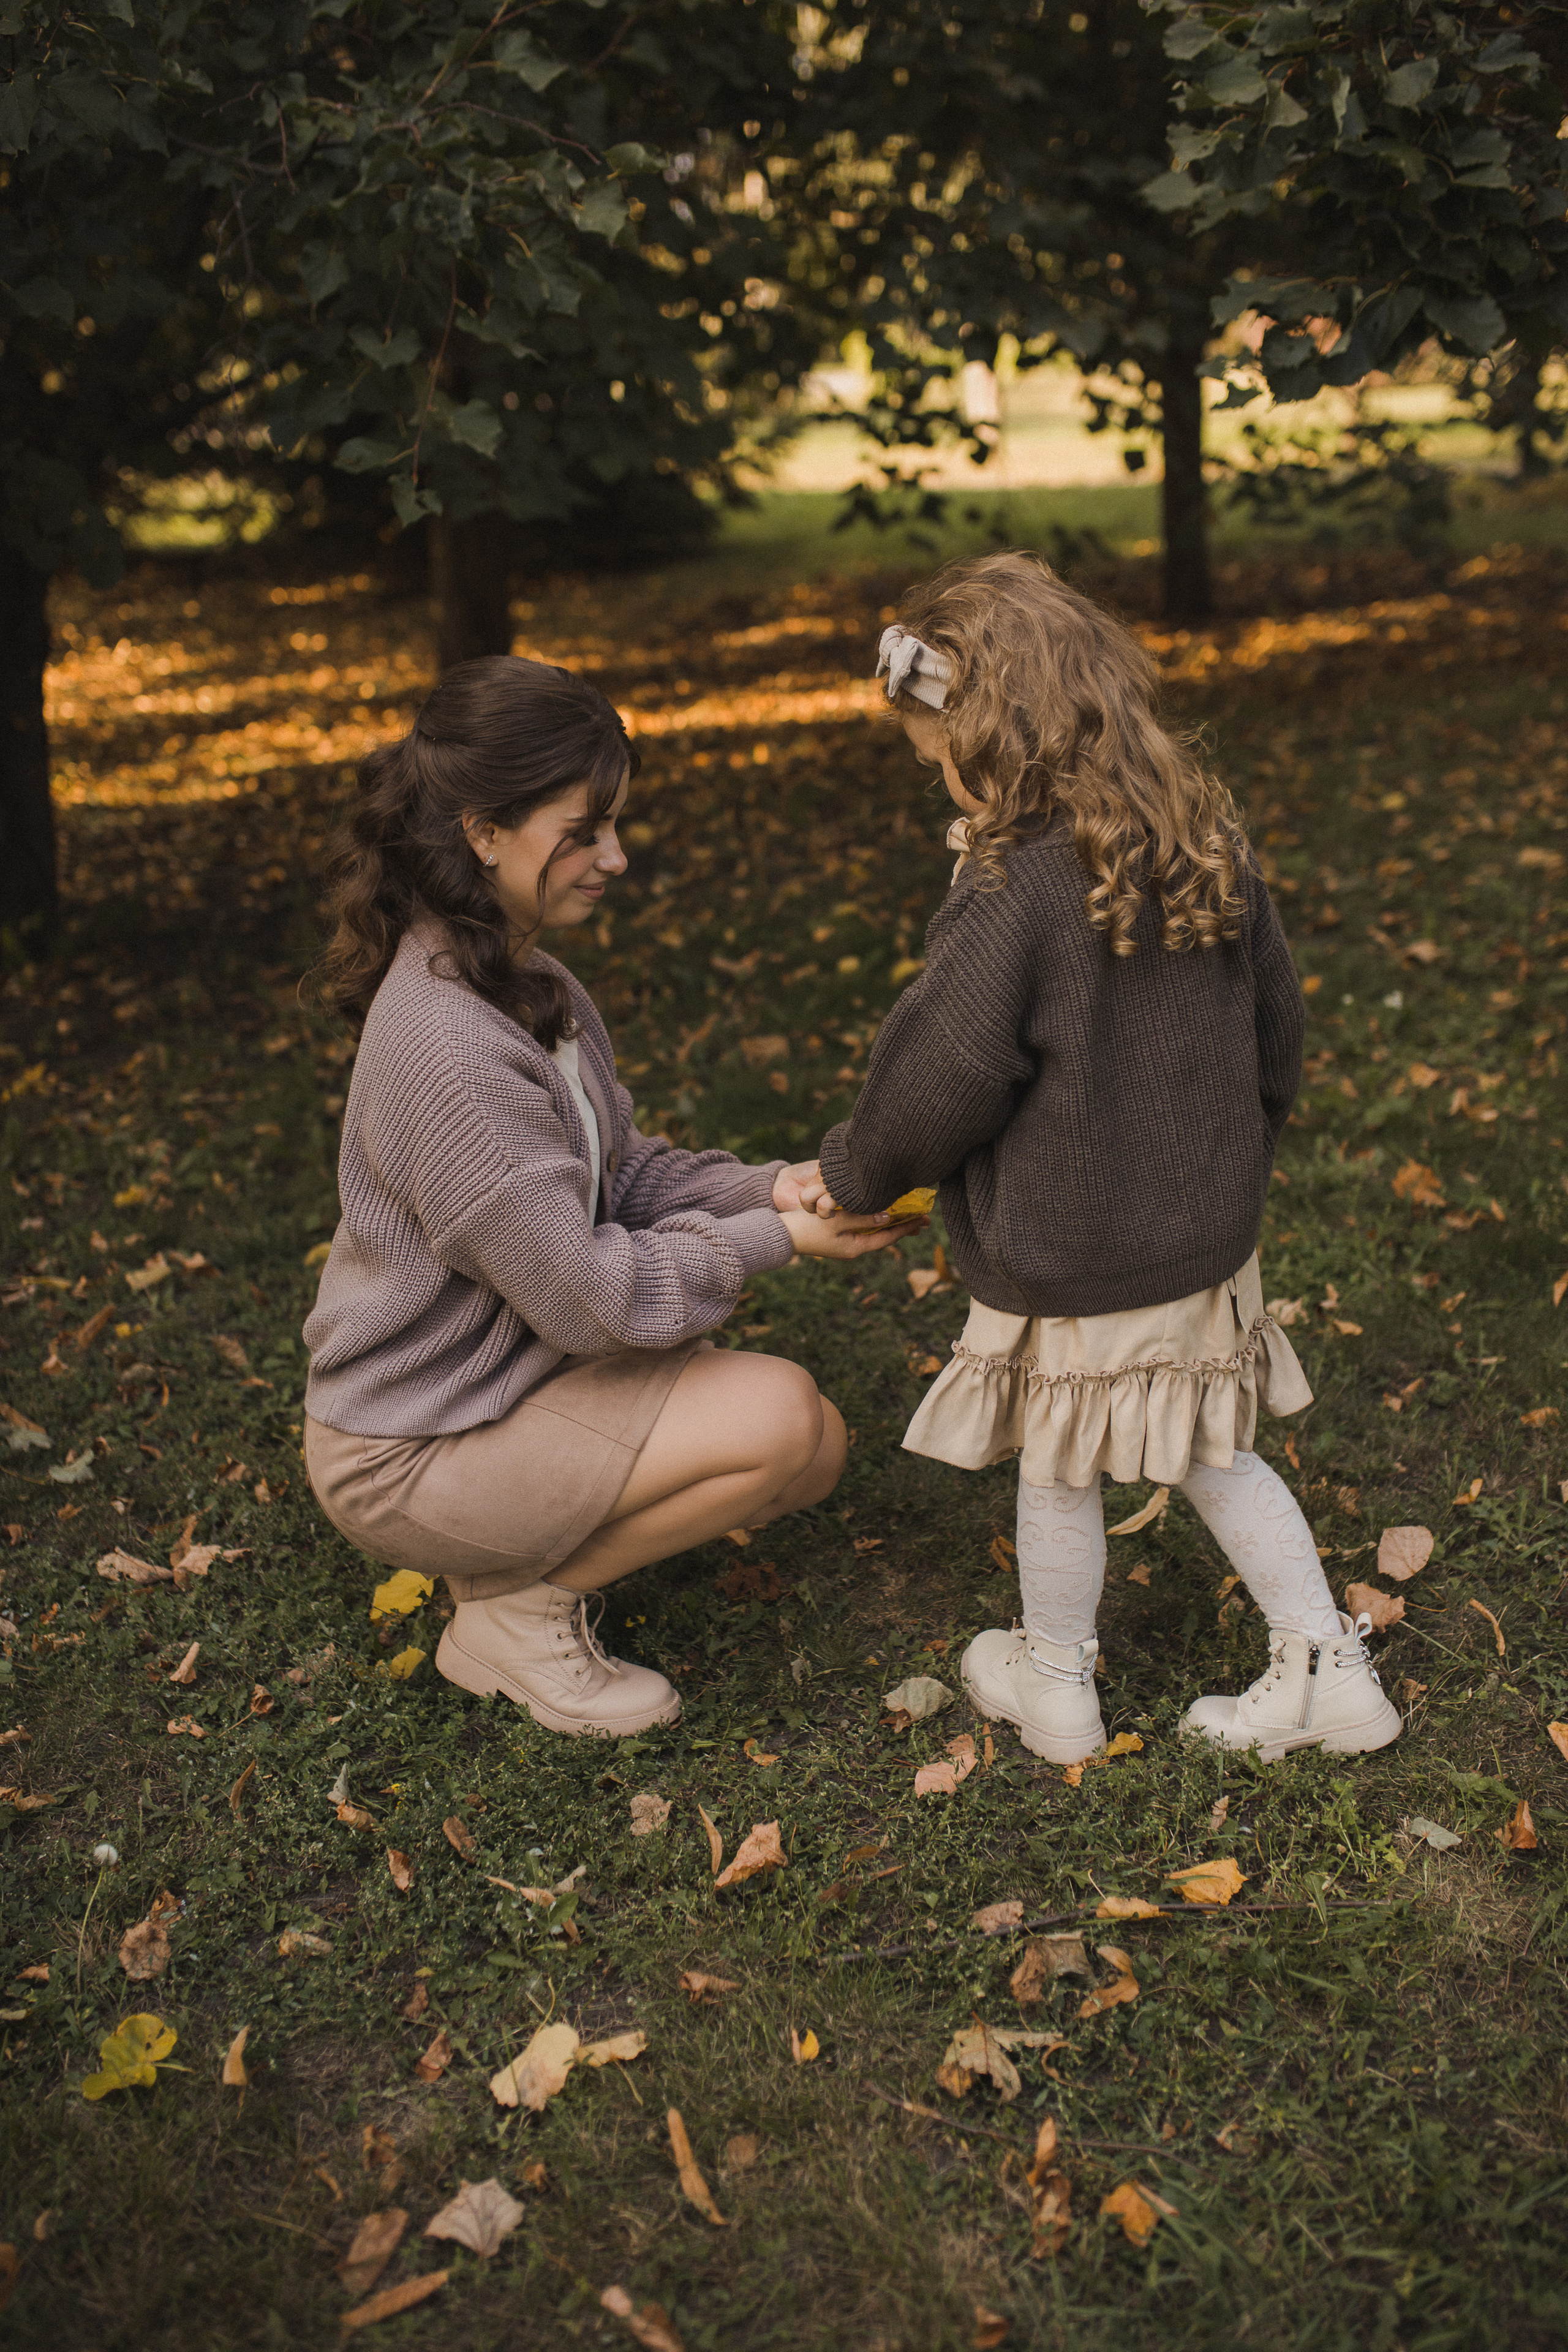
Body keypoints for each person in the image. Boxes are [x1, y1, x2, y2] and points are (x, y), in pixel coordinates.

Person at [812, 551, 1401, 1766]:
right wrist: (1233, 1152)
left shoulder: (1013, 882)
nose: (942, 786)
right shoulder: (1201, 835)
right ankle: (1322, 1669)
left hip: (1073, 1240)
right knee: (1209, 1447)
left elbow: (945, 1071)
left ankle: (1056, 1680)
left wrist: (860, 1171)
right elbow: (1274, 1028)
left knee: (1061, 1454)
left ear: (985, 733)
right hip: (1197, 1231)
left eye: (941, 760)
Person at [301, 655, 915, 1739]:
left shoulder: (519, 973)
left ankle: (507, 1579)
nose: (615, 858)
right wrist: (769, 1239)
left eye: (614, 826)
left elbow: (621, 1174)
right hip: (413, 1446)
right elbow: (588, 1297)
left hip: (508, 1381)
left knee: (812, 1445)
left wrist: (774, 1184)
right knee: (776, 1418)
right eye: (582, 831)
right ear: (484, 832)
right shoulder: (449, 1046)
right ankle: (519, 1618)